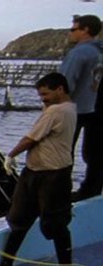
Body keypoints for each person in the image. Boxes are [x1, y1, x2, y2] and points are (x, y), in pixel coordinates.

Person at [0, 73, 78, 266]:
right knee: (20, 218)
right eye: (40, 95)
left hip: (52, 175)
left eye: (46, 94)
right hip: (36, 171)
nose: (43, 99)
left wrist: (11, 155)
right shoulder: (70, 108)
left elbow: (31, 138)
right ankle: (7, 263)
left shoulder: (56, 112)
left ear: (60, 89)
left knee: (53, 222)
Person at [59, 14, 103, 200]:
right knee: (95, 153)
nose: (70, 33)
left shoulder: (79, 53)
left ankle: (59, 191)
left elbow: (64, 84)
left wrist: (52, 109)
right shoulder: (99, 52)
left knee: (62, 152)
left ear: (85, 30)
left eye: (73, 29)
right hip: (95, 108)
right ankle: (91, 191)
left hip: (74, 109)